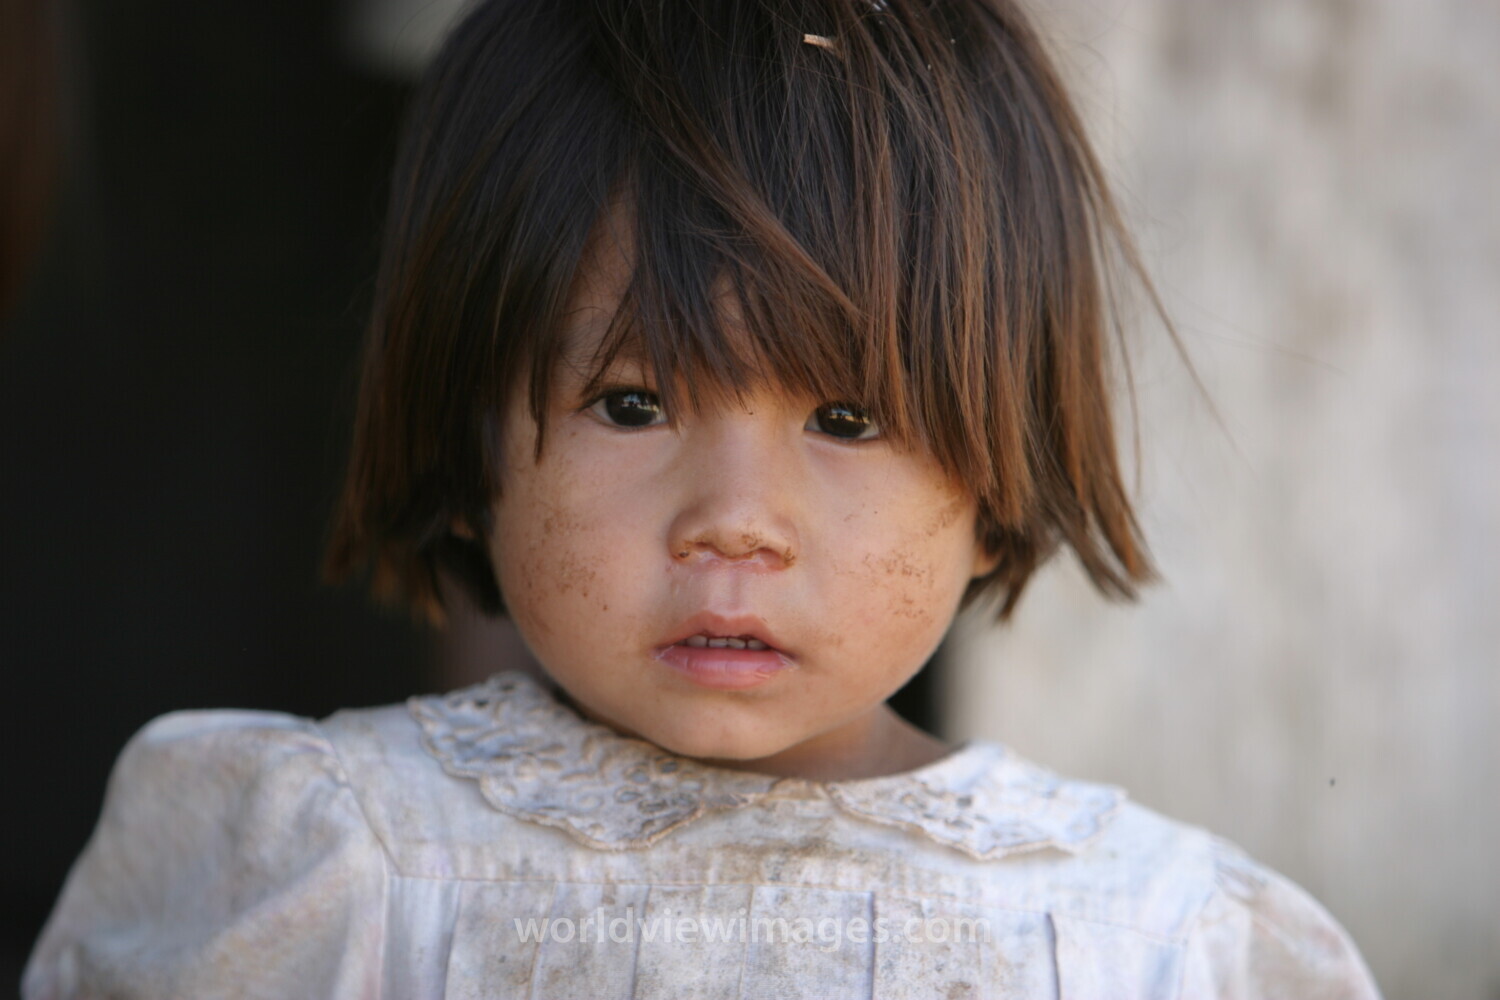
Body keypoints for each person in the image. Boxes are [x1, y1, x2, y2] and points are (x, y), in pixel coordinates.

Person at [23, 0, 1382, 996]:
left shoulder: (1151, 943)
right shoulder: (336, 872)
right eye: (632, 404)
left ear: (998, 467)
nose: (734, 516)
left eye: (845, 420)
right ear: (465, 430)